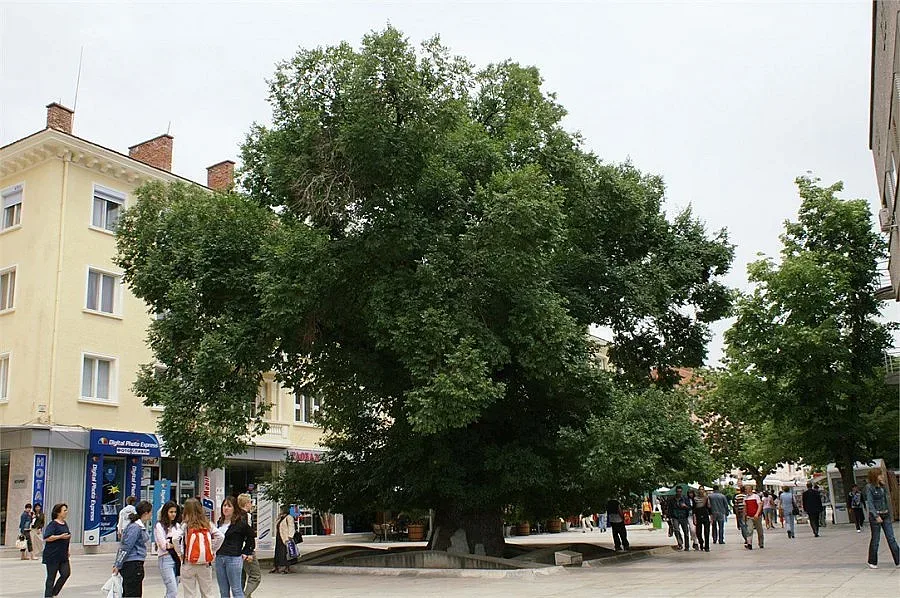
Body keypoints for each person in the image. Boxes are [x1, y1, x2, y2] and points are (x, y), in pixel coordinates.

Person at [181, 498, 224, 598]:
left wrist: (180, 553)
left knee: (189, 594)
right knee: (207, 593)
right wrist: (212, 550)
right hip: (205, 563)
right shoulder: (208, 524)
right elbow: (221, 536)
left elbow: (175, 539)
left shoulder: (185, 525)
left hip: (189, 562)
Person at [216, 497, 255, 597]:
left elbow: (251, 536)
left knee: (236, 589)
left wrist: (246, 552)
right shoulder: (220, 522)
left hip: (233, 557)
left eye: (229, 506)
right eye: (224, 506)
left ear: (234, 508)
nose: (226, 508)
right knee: (223, 590)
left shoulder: (240, 523)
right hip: (220, 557)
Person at [113, 500, 152, 598]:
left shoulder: (138, 526)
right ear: (146, 513)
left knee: (133, 592)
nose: (151, 515)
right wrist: (118, 564)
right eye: (151, 512)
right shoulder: (135, 527)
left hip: (134, 564)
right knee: (132, 593)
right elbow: (126, 546)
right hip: (132, 564)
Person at [864, 470, 899, 569]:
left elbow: (886, 501)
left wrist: (890, 514)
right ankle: (872, 561)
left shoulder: (882, 487)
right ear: (875, 476)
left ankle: (898, 560)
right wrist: (876, 515)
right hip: (876, 516)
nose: (882, 476)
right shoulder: (869, 487)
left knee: (891, 538)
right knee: (876, 539)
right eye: (880, 475)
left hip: (885, 514)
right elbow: (870, 503)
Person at [43, 503, 72, 598]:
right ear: (58, 512)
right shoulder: (53, 524)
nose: (66, 512)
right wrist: (60, 536)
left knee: (66, 573)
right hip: (52, 555)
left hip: (63, 555)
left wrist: (67, 550)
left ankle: (54, 592)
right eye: (64, 510)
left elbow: (67, 537)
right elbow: (47, 537)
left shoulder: (65, 523)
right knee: (51, 577)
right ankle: (48, 595)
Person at [154, 501, 182, 598]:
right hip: (165, 558)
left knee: (174, 590)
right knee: (172, 590)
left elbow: (181, 542)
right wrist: (173, 544)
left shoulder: (177, 526)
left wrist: (172, 543)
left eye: (175, 512)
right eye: (171, 512)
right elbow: (163, 545)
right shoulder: (159, 526)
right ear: (166, 512)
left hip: (177, 559)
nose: (173, 514)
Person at [236, 494, 261, 598]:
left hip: (237, 549)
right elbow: (249, 535)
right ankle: (244, 596)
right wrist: (249, 551)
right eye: (250, 502)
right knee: (255, 576)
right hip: (246, 549)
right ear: (247, 503)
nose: (251, 504)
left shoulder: (235, 516)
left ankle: (242, 595)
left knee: (241, 576)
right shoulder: (247, 516)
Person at [273, 505, 298, 573]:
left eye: (281, 510)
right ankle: (277, 566)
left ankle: (287, 567)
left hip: (286, 537)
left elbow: (291, 527)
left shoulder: (289, 517)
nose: (280, 511)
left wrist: (290, 536)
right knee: (279, 552)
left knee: (287, 552)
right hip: (279, 537)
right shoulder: (281, 517)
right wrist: (278, 517)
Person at [668, 487, 692, 551]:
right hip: (675, 517)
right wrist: (669, 517)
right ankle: (680, 543)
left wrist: (685, 506)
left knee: (686, 532)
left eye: (680, 491)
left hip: (683, 516)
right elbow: (669, 509)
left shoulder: (685, 499)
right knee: (676, 530)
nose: (679, 493)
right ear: (676, 492)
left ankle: (687, 546)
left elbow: (690, 507)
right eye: (678, 491)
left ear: (682, 492)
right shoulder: (672, 499)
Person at [693, 487, 711, 552]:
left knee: (706, 531)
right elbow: (694, 508)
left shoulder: (706, 497)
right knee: (698, 532)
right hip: (698, 514)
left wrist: (707, 499)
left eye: (702, 489)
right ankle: (701, 542)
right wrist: (694, 517)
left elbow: (709, 507)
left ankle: (707, 546)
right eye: (700, 489)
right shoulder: (695, 498)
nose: (701, 491)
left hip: (705, 514)